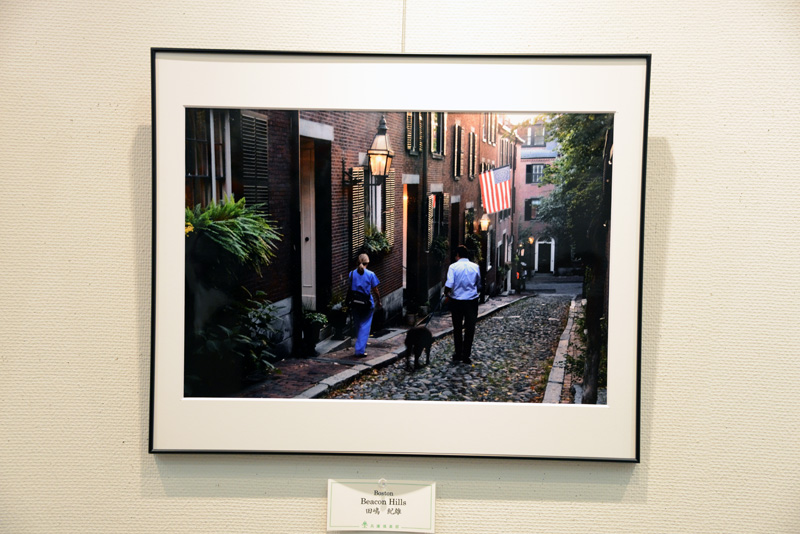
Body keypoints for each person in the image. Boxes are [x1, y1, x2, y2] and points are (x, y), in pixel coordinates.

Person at [444, 244, 481, 364]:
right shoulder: (475, 267)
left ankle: (458, 353)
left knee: (457, 328)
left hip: (457, 301)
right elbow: (478, 283)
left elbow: (449, 283)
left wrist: (446, 293)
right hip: (471, 301)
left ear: (457, 255)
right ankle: (466, 355)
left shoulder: (453, 267)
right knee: (470, 328)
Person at [349, 253, 381, 357]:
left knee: (358, 325)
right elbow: (375, 290)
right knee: (365, 326)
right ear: (367, 263)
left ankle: (361, 344)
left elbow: (350, 288)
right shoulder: (371, 274)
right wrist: (378, 301)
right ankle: (359, 350)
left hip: (355, 303)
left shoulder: (351, 274)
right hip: (366, 304)